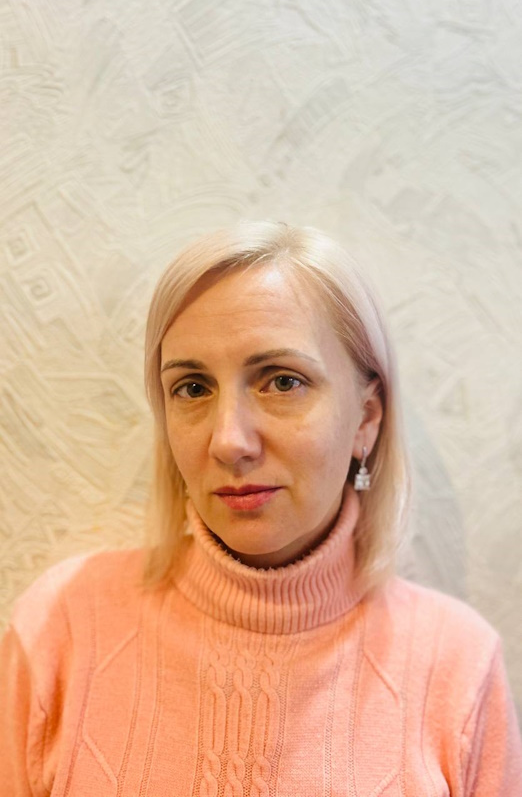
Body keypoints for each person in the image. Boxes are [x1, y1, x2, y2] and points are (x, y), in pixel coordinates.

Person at [0, 221, 521, 795]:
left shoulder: (457, 665)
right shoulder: (62, 628)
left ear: (366, 419)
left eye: (282, 381)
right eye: (193, 388)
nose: (229, 441)